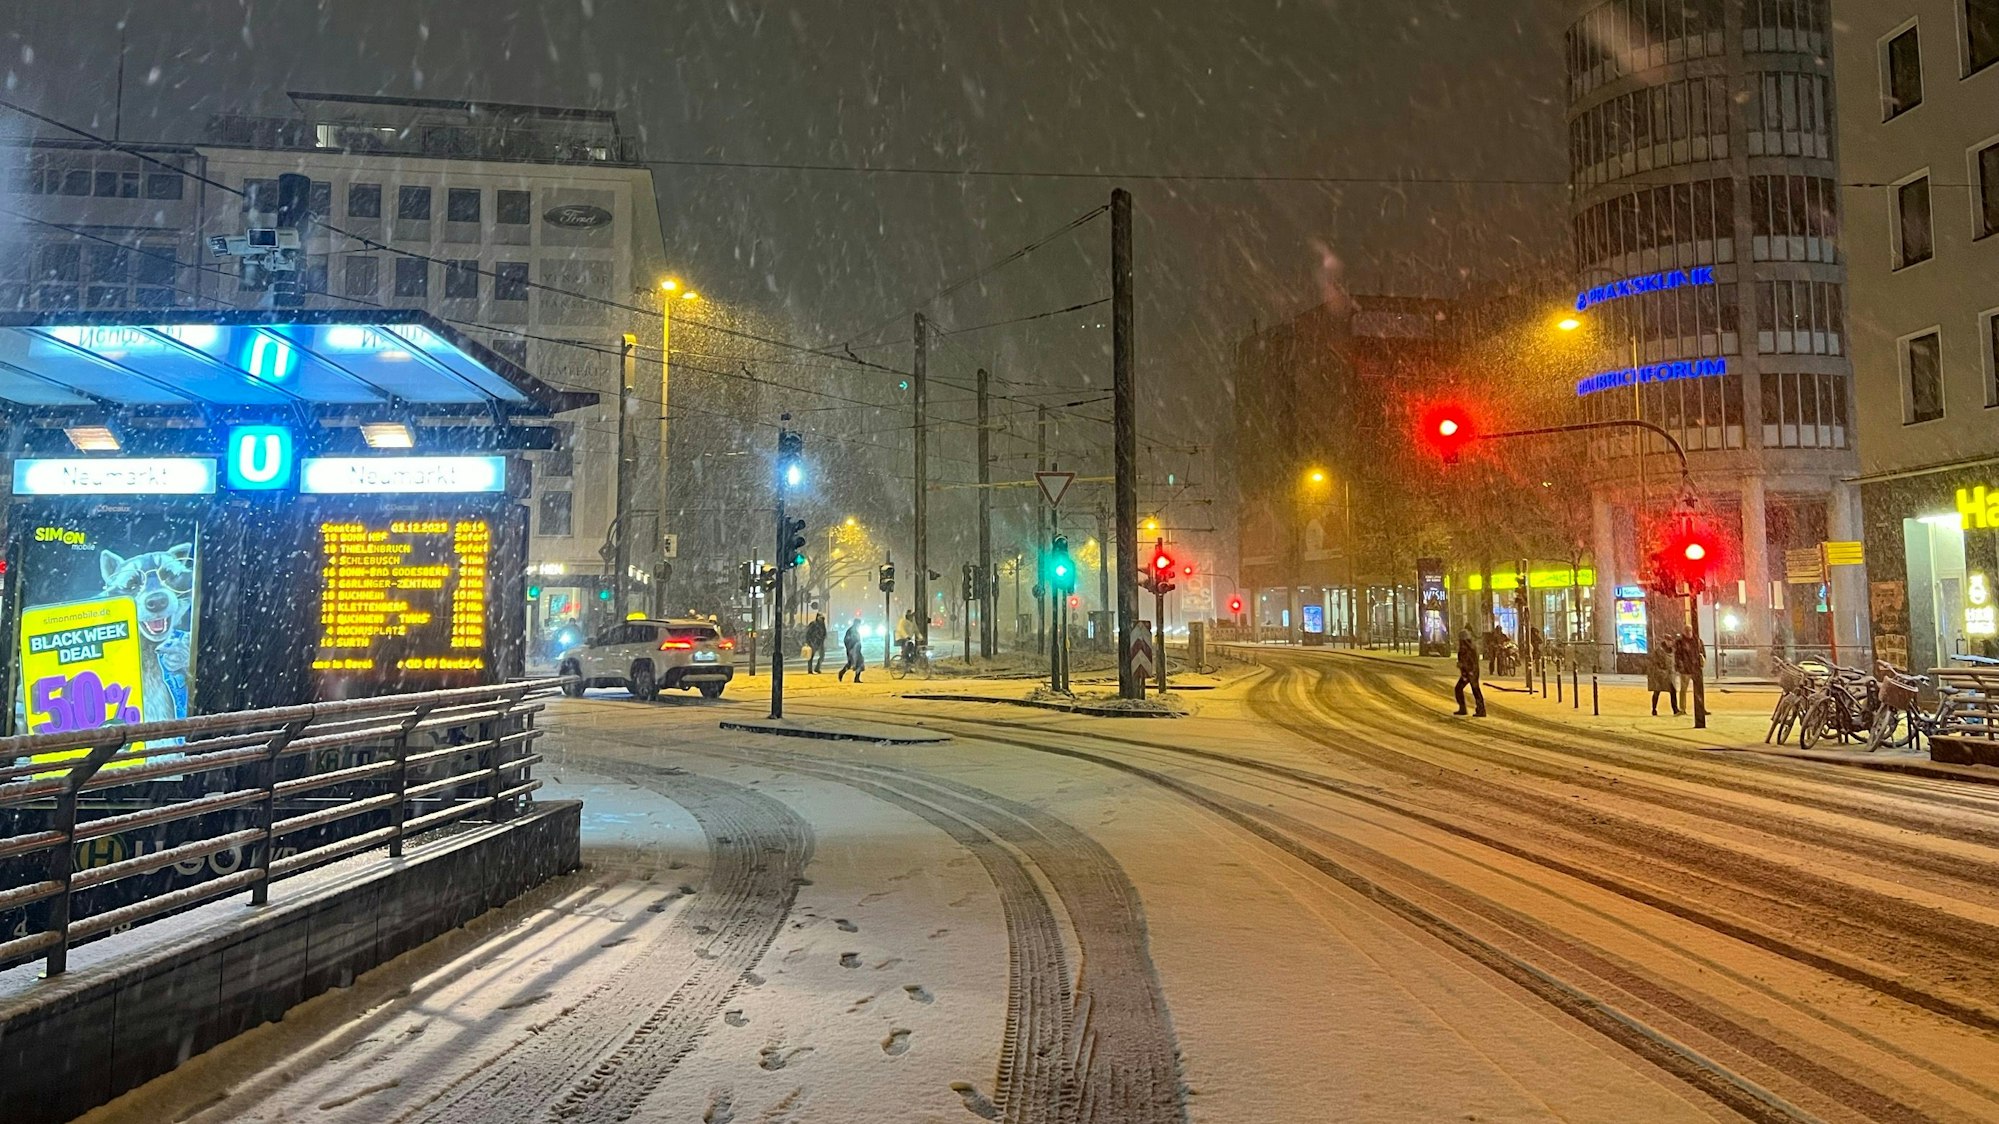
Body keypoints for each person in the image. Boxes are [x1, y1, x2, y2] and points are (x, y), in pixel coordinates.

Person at [1454, 628, 1487, 717]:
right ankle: (1480, 709)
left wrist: (1465, 670)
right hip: (1472, 672)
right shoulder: (1472, 646)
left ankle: (1465, 708)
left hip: (1469, 672)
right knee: (1475, 690)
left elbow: (1467, 661)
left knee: (1460, 689)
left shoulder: (1465, 648)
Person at [1648, 635, 1680, 715]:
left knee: (1673, 691)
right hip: (1660, 675)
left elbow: (1673, 662)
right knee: (1657, 692)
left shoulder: (1672, 650)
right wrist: (1660, 669)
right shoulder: (1659, 650)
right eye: (1668, 641)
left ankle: (1675, 709)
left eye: (1671, 641)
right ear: (1665, 640)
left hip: (1670, 675)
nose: (1670, 643)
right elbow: (1654, 661)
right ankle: (1654, 709)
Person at [1673, 630, 1702, 712]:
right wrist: (1681, 666)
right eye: (1687, 631)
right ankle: (1683, 708)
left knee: (1697, 689)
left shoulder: (1696, 641)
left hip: (1694, 668)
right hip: (1687, 669)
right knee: (1684, 690)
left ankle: (1699, 708)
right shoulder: (1681, 642)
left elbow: (1701, 653)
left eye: (1690, 631)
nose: (1689, 633)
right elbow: (1678, 655)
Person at [837, 618, 865, 682]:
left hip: (856, 649)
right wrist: (850, 648)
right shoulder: (851, 630)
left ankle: (856, 678)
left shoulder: (855, 630)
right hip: (852, 650)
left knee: (858, 663)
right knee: (855, 663)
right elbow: (847, 640)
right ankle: (842, 673)